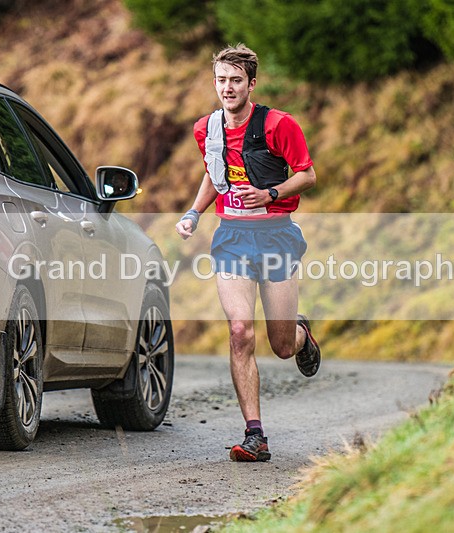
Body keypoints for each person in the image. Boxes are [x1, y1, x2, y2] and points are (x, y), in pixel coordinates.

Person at [175, 44, 321, 462]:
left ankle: (300, 333)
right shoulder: (206, 129)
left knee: (281, 346)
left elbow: (307, 175)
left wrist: (270, 194)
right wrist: (194, 213)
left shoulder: (279, 125)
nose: (228, 88)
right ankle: (255, 435)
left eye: (236, 80)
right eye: (222, 80)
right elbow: (213, 173)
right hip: (232, 238)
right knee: (240, 331)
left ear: (251, 84)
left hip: (275, 236)